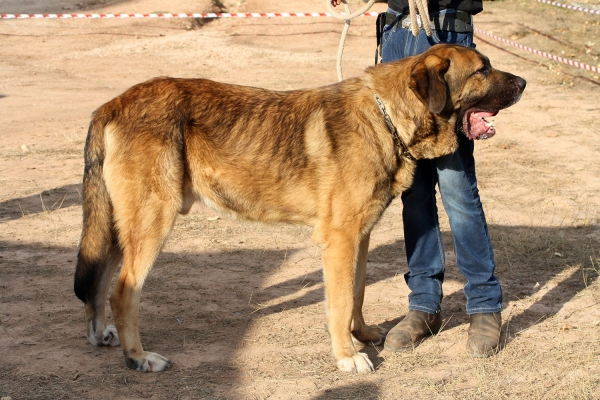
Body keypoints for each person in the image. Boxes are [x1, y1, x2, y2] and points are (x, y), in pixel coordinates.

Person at [331, 0, 503, 358]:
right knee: (414, 191)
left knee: (457, 189)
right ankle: (424, 305)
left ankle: (484, 306)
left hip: (445, 29)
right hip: (398, 34)